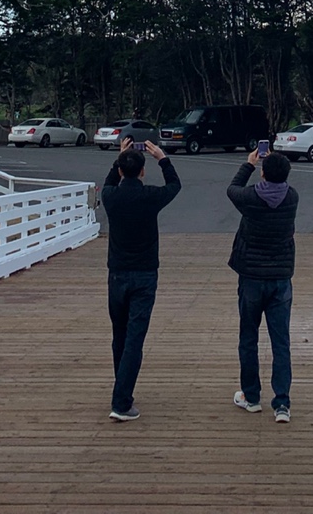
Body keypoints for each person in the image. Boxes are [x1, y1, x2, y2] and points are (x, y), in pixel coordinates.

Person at [100, 136, 181, 421]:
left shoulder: (110, 197)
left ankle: (122, 387)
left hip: (117, 273)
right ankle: (121, 401)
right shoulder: (150, 197)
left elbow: (109, 182)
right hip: (144, 274)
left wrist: (119, 159)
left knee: (119, 335)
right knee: (135, 338)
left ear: (122, 170)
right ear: (143, 172)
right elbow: (175, 186)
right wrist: (162, 158)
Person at [226, 147, 298, 422]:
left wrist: (248, 164)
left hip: (252, 276)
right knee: (281, 341)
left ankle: (251, 396)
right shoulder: (292, 197)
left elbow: (232, 189)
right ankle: (282, 404)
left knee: (248, 337)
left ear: (263, 173)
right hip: (280, 277)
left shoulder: (250, 198)